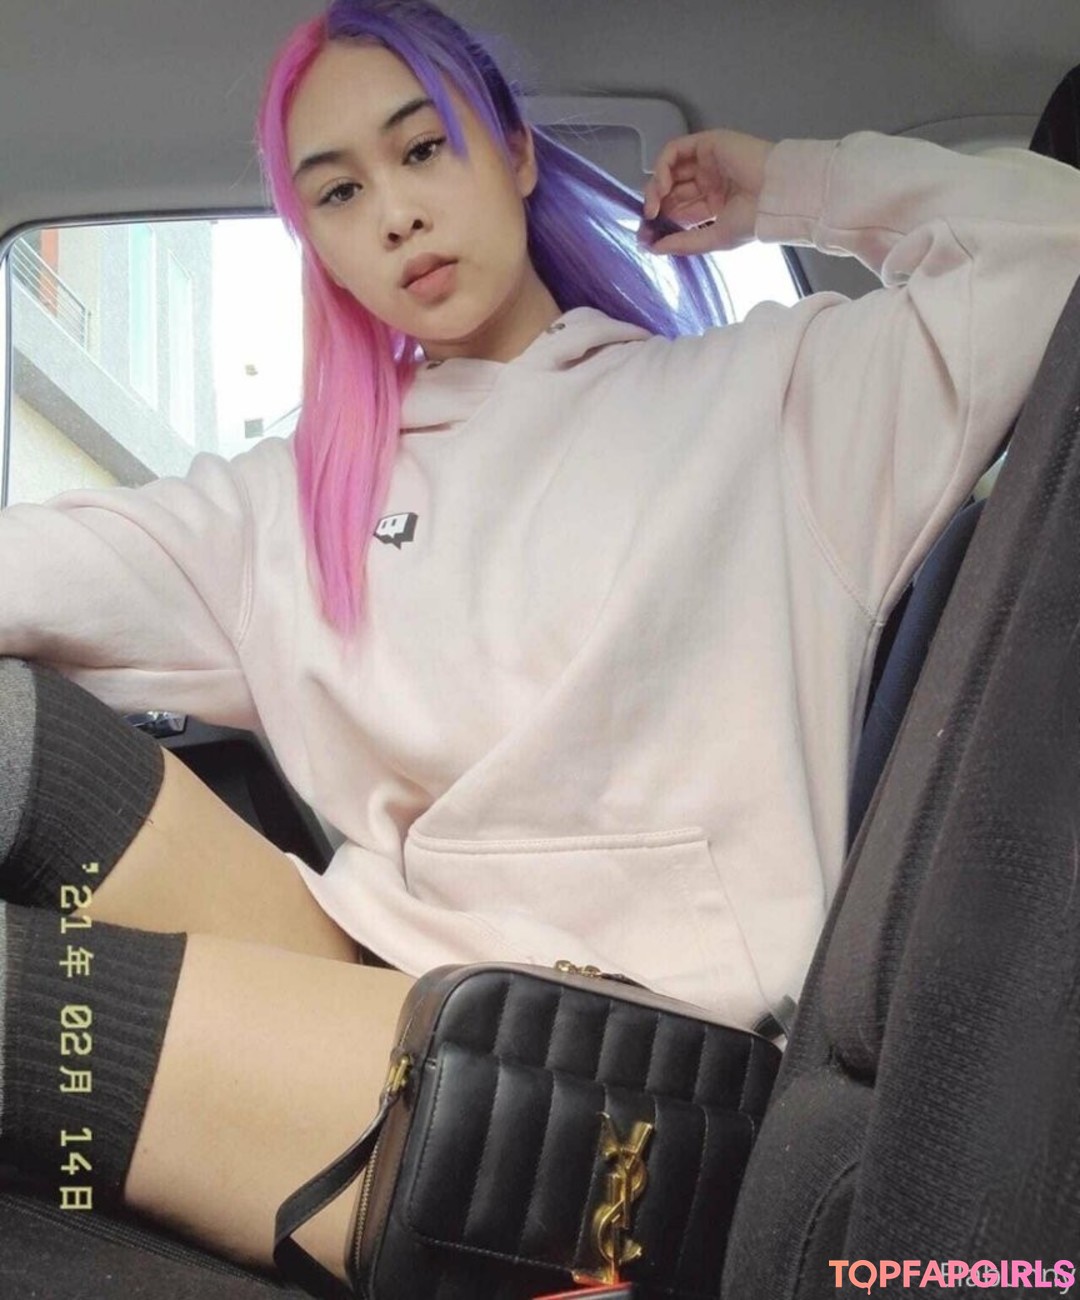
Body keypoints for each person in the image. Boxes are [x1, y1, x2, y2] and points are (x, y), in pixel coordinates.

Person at [3, 0, 1080, 1286]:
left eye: (422, 148)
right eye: (338, 192)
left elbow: (1056, 252)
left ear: (515, 152)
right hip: (386, 978)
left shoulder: (775, 402)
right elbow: (39, 564)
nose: (393, 214)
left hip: (629, 1073)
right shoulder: (298, 504)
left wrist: (791, 187)